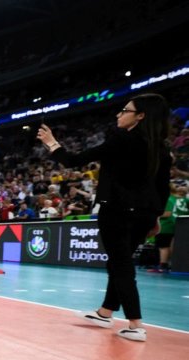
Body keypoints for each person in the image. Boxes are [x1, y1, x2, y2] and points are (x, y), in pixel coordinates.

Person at [38, 94, 172, 341]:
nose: (119, 114)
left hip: (117, 211)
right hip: (143, 214)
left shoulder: (121, 139)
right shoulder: (160, 146)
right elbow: (163, 187)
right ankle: (105, 312)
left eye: (125, 110)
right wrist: (155, 217)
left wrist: (52, 143)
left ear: (140, 116)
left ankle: (135, 324)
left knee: (121, 265)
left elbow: (75, 160)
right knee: (119, 262)